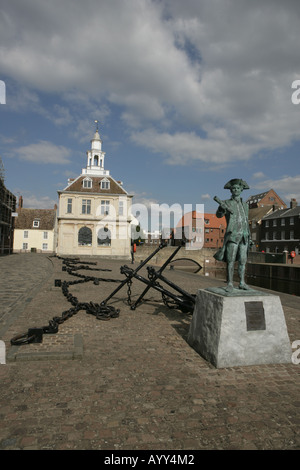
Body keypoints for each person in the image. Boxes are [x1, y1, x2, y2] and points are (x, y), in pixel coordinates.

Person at [214, 178, 252, 292]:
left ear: (241, 190)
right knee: (230, 261)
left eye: (238, 188)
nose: (235, 190)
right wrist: (221, 208)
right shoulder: (226, 203)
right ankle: (230, 283)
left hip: (244, 236)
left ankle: (242, 282)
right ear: (231, 190)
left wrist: (249, 236)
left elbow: (246, 220)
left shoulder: (245, 205)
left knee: (243, 261)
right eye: (233, 188)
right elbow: (219, 215)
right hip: (233, 236)